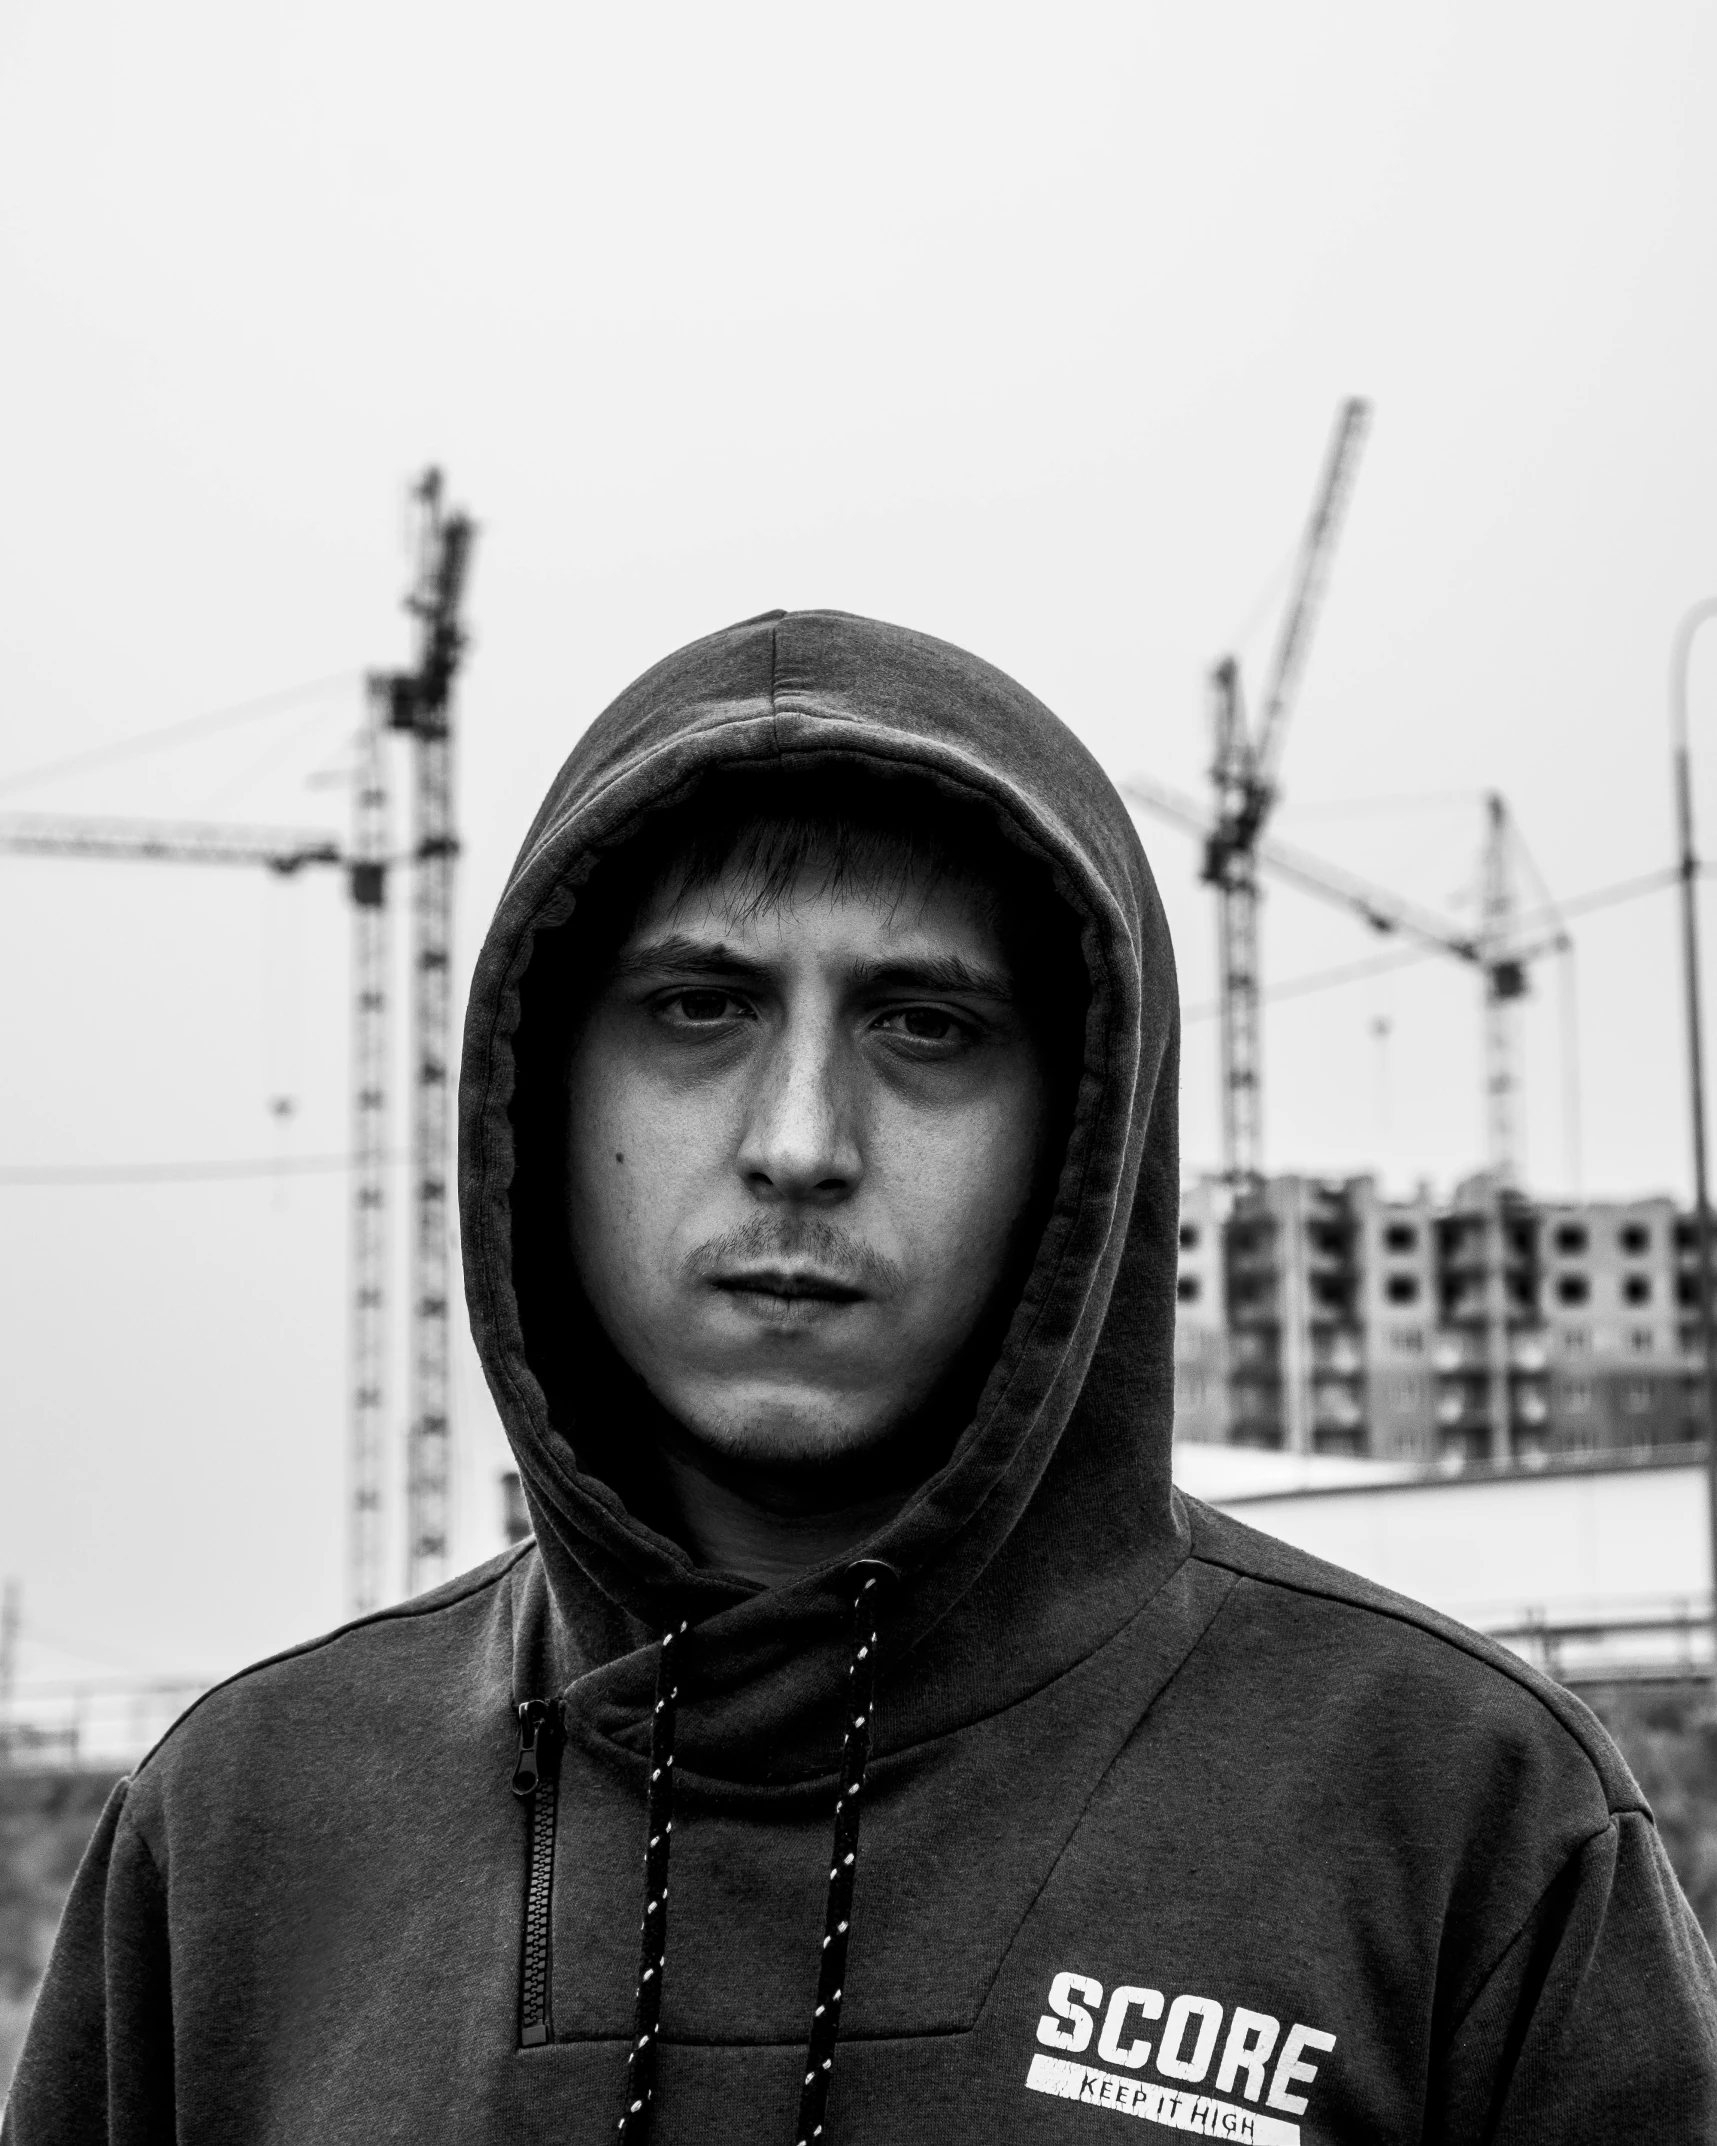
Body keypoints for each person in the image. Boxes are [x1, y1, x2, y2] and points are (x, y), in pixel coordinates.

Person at [7, 609, 1715, 2146]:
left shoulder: (1466, 1828)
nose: (802, 1143)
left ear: (1081, 1125)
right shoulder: (244, 1833)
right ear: (542, 1087)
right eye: (698, 1008)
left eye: (925, 1025)